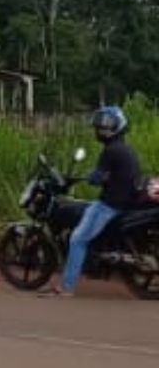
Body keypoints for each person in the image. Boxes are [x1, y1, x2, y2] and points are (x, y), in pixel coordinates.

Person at [49, 106, 145, 298]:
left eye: (106, 126)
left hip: (110, 205)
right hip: (126, 202)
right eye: (100, 126)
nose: (101, 130)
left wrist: (88, 177)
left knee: (77, 239)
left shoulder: (110, 151)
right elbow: (112, 176)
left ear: (116, 127)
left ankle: (66, 288)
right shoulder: (125, 149)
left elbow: (96, 177)